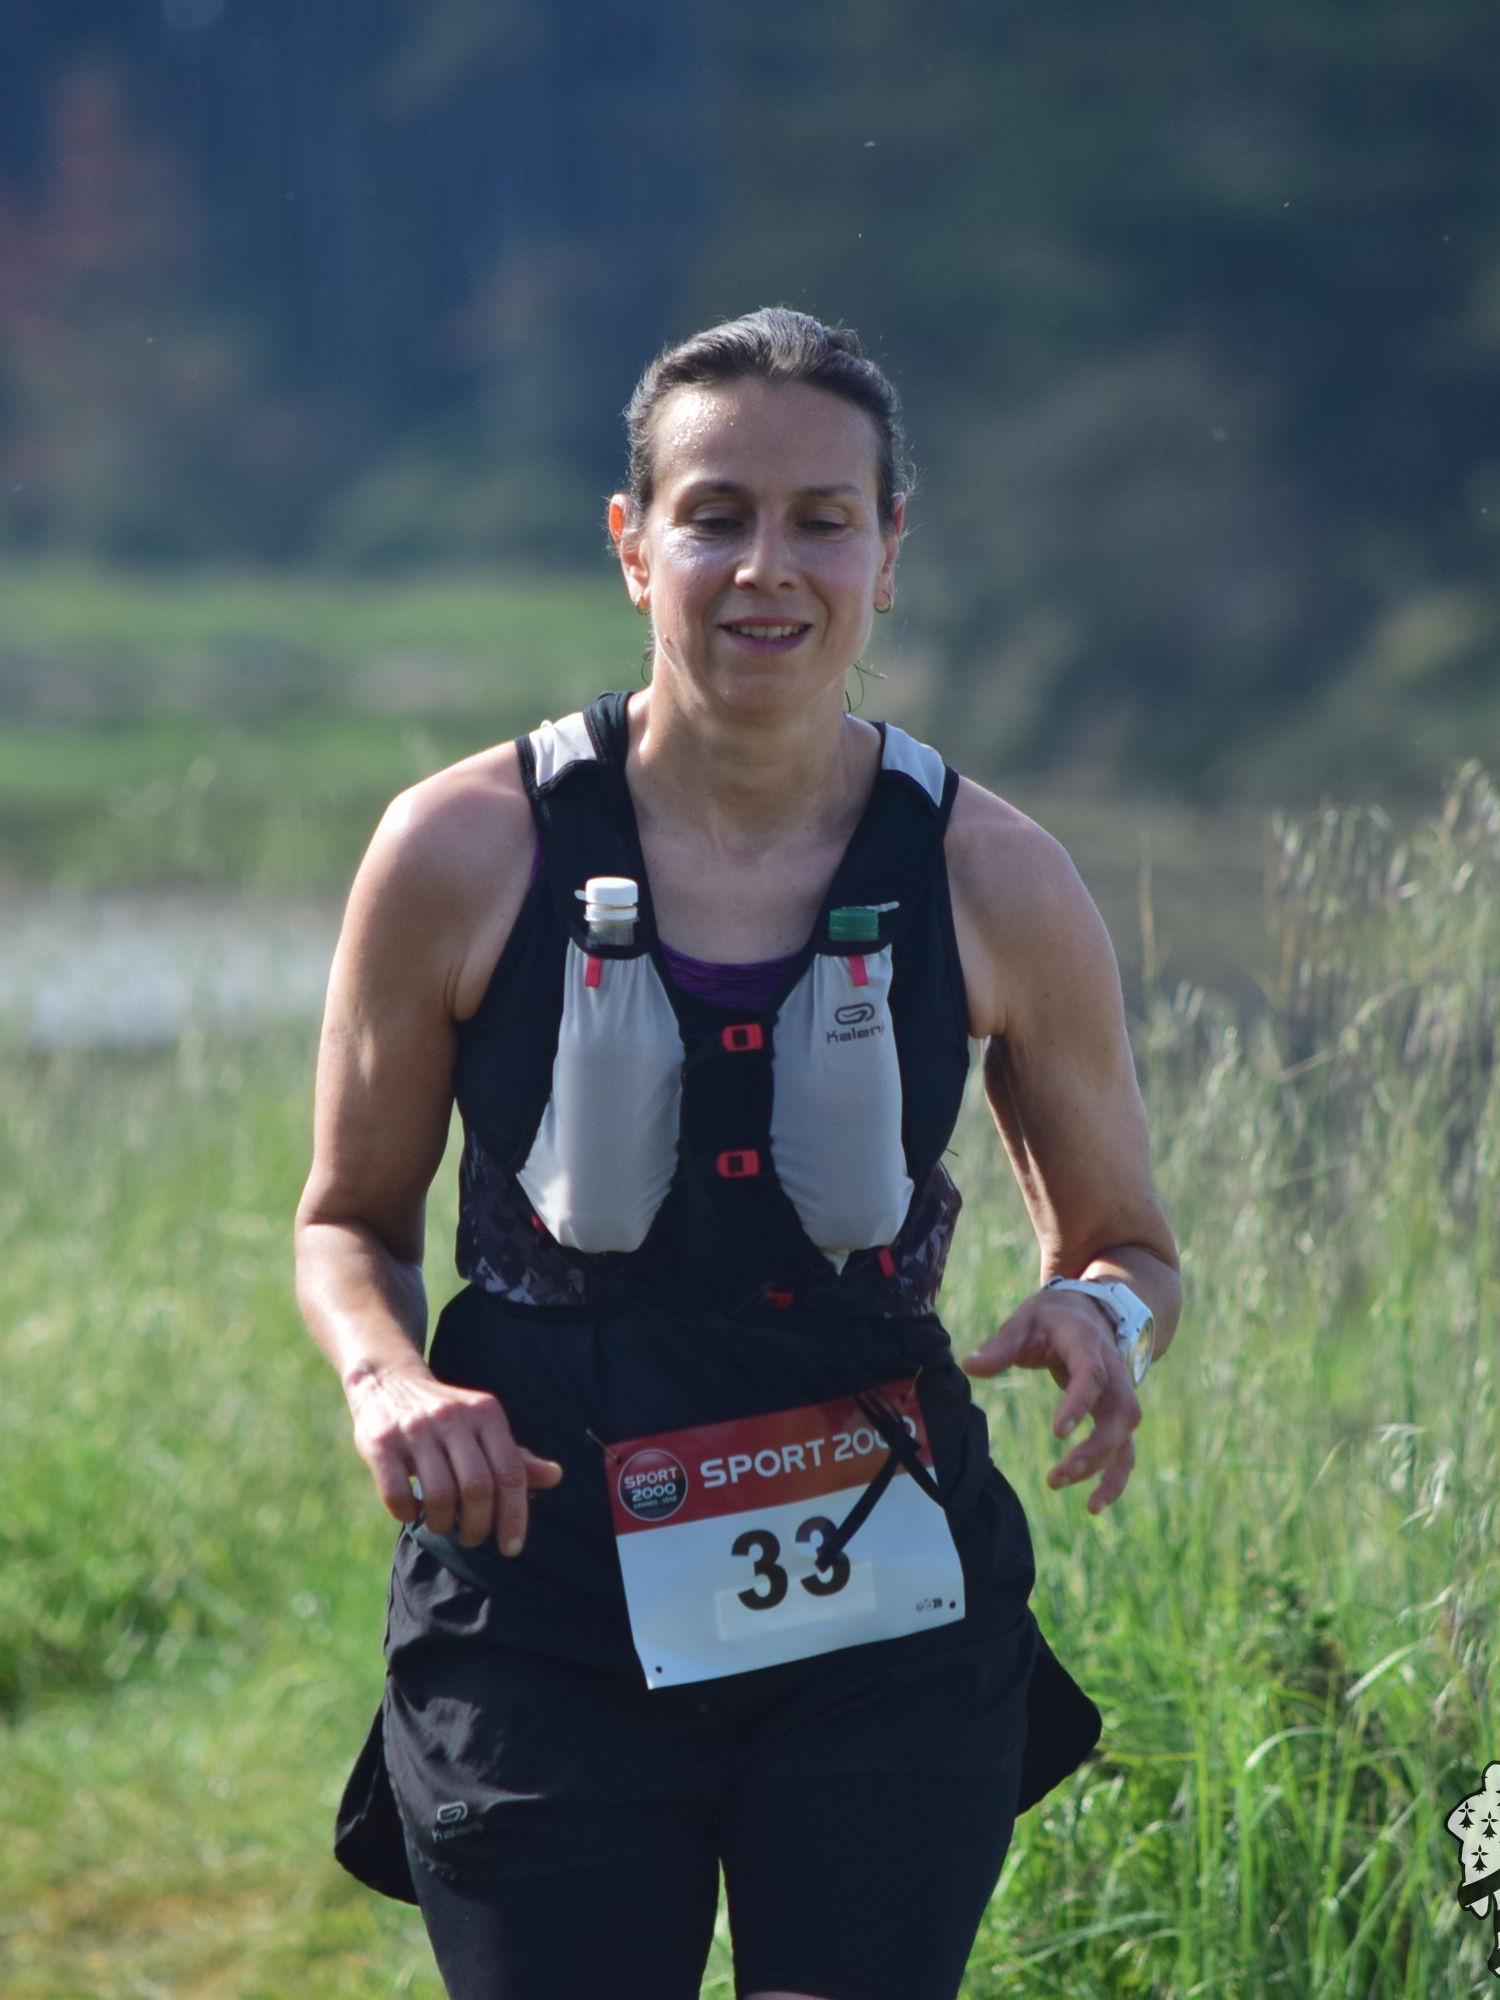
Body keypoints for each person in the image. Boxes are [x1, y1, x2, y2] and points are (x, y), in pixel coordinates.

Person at [296, 306, 1181, 2000]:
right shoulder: (460, 848)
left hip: (880, 1592)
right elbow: (346, 1223)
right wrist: (387, 1384)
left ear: (889, 551)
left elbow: (1127, 1246)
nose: (766, 567)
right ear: (633, 546)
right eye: (715, 516)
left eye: (821, 519)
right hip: (539, 1584)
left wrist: (1101, 1320)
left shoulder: (997, 877)